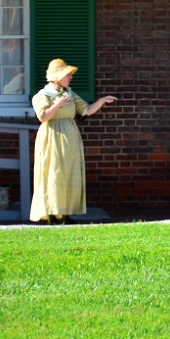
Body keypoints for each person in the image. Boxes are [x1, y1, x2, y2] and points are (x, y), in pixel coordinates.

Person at [30, 59, 117, 224]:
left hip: (70, 137)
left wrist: (101, 100)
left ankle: (65, 213)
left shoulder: (69, 93)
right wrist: (57, 104)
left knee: (69, 172)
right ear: (58, 76)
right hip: (52, 136)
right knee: (53, 173)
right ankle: (52, 215)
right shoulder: (42, 96)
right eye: (67, 74)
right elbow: (43, 117)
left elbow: (86, 110)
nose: (70, 77)